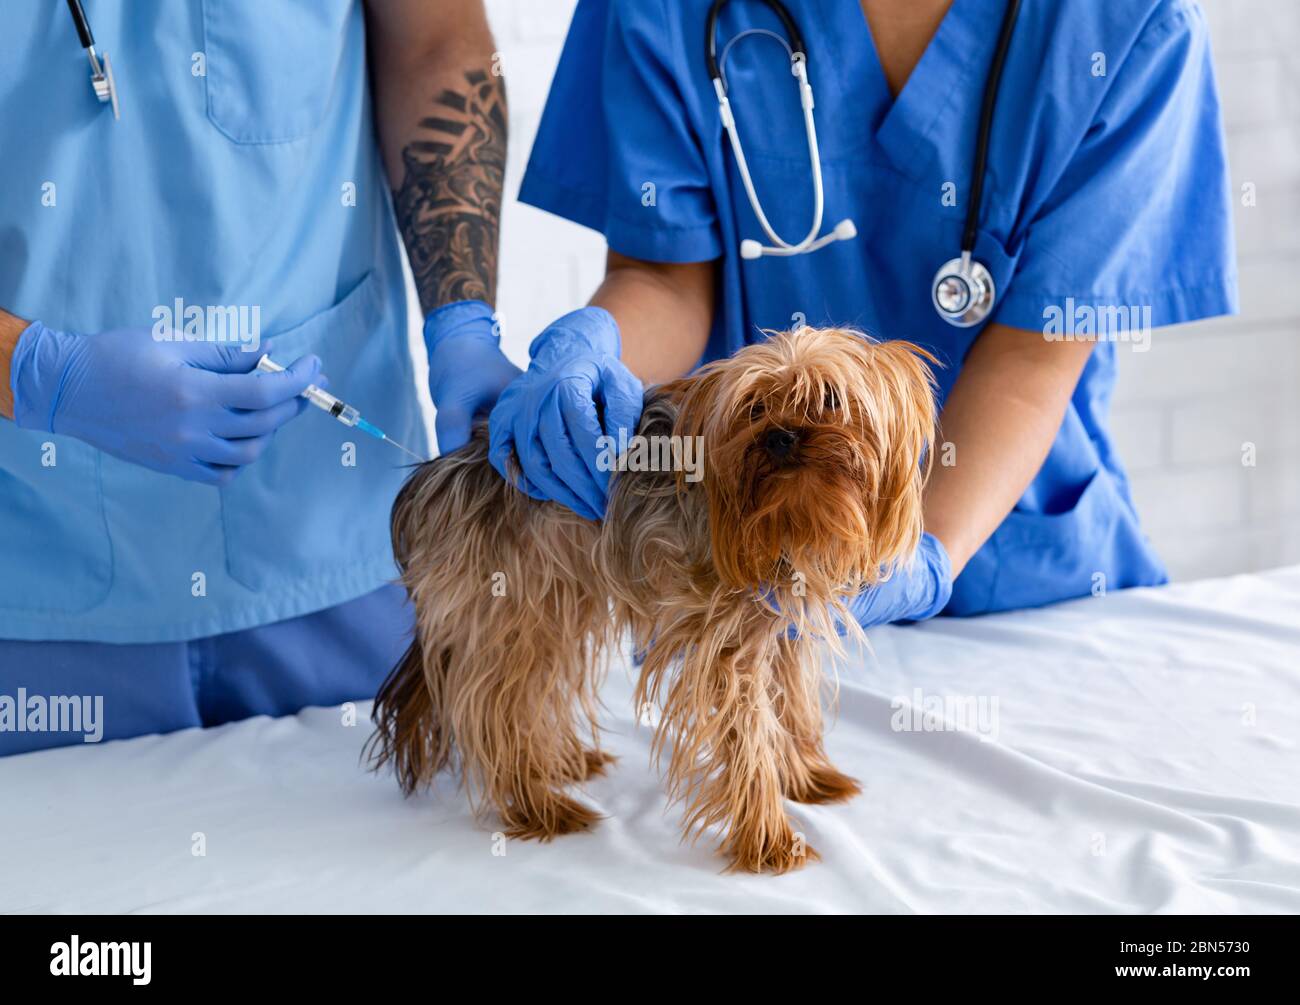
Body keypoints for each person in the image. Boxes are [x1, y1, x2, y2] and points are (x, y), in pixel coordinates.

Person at [480, 0, 1237, 628]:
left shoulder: (1125, 23)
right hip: (746, 567)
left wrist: (927, 552)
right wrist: (595, 349)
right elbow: (666, 275)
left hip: (1017, 582)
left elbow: (1032, 357)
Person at [0, 0, 513, 755]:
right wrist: (37, 373)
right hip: (35, 586)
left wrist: (462, 317)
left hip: (340, 551)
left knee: (387, 844)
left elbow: (437, 42)